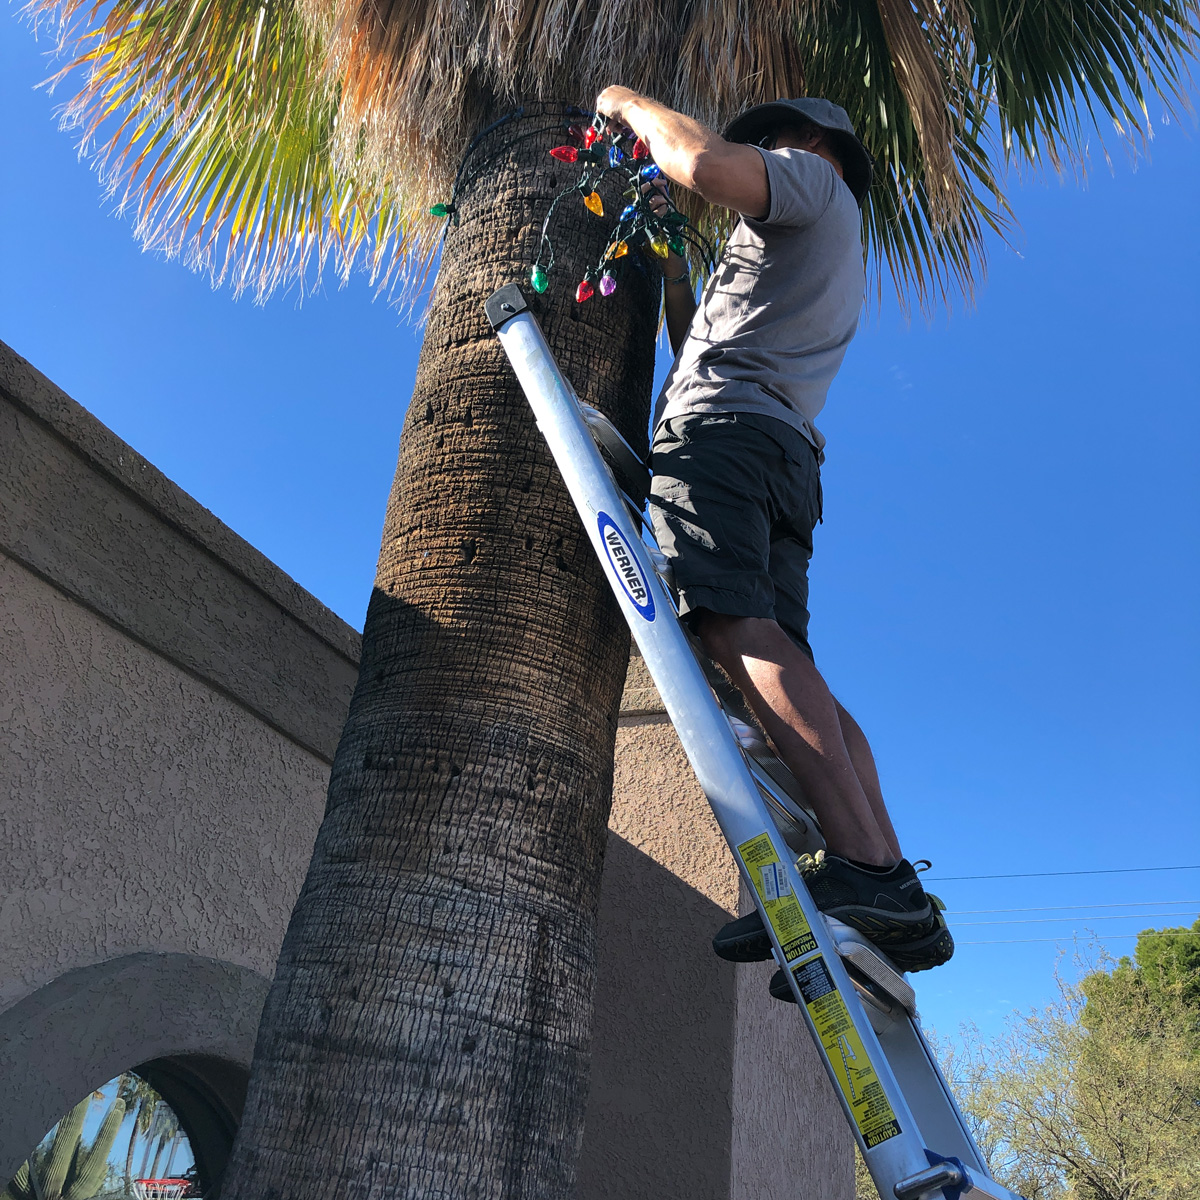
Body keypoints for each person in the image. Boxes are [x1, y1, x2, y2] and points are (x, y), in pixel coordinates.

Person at [594, 86, 952, 977]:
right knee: (781, 649)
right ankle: (890, 879)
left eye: (775, 141)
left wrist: (627, 104)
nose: (765, 153)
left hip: (728, 437)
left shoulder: (812, 183)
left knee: (731, 625)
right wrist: (678, 273)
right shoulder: (830, 252)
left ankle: (864, 866)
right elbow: (705, 341)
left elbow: (704, 165)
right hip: (780, 451)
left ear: (806, 143)